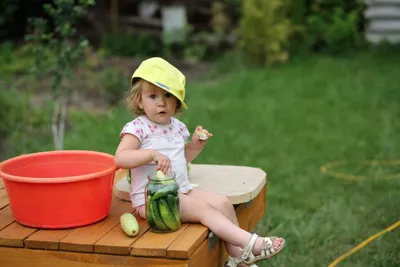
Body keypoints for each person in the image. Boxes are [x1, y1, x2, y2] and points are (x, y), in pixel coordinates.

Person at [114, 57, 285, 267]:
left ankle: (236, 257)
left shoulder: (176, 127)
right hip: (155, 201)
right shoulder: (138, 128)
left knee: (222, 202)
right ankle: (251, 242)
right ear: (139, 101)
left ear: (177, 101)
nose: (161, 102)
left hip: (181, 189)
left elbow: (181, 159)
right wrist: (150, 154)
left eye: (168, 95)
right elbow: (121, 158)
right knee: (205, 210)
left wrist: (195, 145)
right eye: (152, 96)